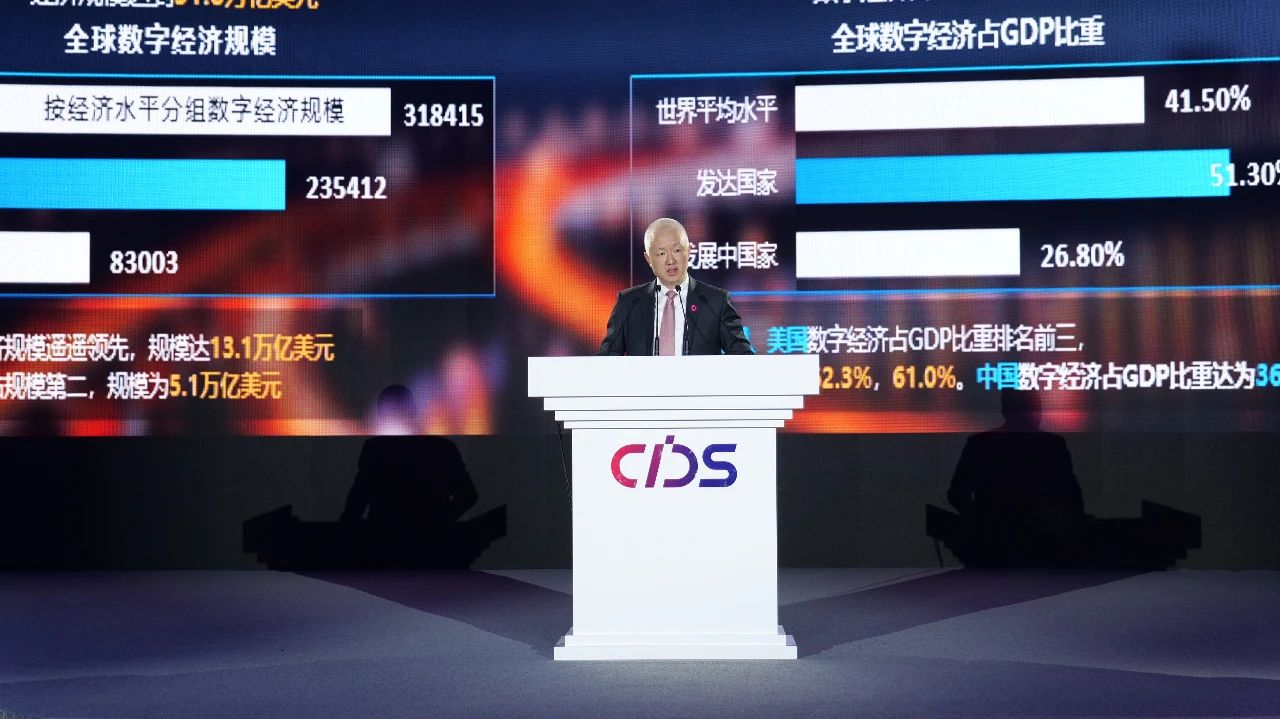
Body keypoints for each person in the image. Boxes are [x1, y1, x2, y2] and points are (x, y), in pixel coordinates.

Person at [598, 217, 753, 355]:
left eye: (677, 250)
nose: (670, 260)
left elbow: (743, 359)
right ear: (648, 258)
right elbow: (605, 362)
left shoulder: (716, 302)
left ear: (689, 251)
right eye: (661, 253)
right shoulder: (628, 303)